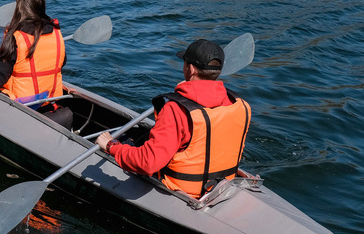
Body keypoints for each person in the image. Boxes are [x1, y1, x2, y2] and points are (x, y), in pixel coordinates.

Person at [96, 39, 251, 198]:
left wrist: (111, 146)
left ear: (189, 69)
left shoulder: (176, 110)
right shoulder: (241, 105)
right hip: (223, 184)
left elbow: (148, 163)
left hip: (185, 192)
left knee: (126, 142)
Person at [0, 0, 66, 104]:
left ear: (19, 9)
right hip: (50, 99)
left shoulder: (15, 37)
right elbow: (62, 62)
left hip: (23, 102)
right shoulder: (56, 32)